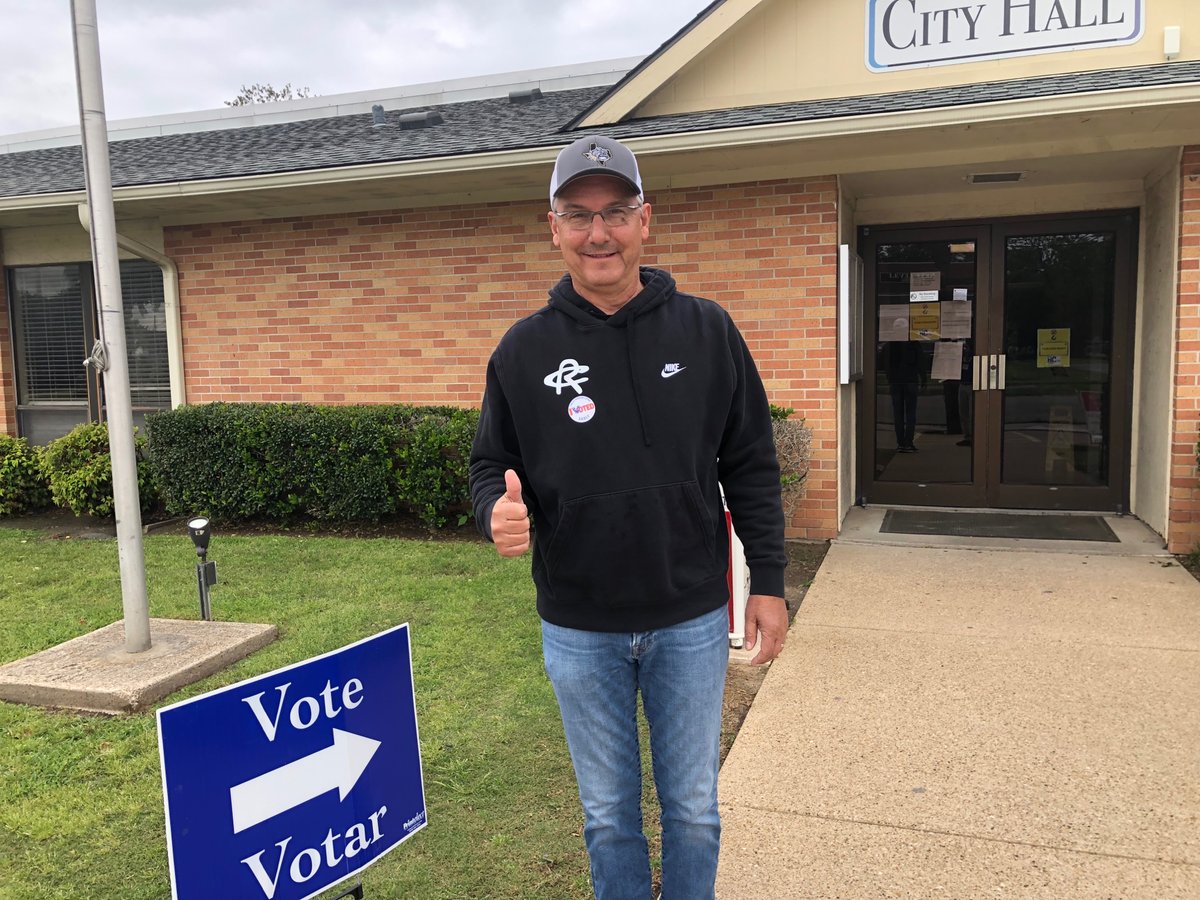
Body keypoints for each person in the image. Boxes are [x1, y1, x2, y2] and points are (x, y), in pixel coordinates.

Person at [469, 133, 788, 900]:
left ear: (646, 220)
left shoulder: (707, 331)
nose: (598, 233)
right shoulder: (523, 350)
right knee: (609, 814)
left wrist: (768, 583)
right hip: (580, 624)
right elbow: (489, 464)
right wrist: (494, 515)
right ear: (554, 228)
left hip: (690, 618)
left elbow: (750, 462)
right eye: (577, 215)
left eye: (615, 212)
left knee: (694, 810)